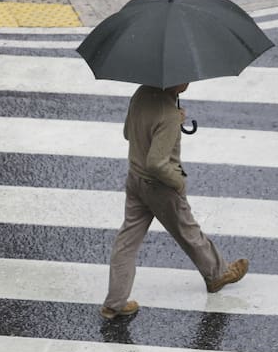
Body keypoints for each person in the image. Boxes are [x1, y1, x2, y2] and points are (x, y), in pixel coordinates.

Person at [101, 82, 249, 319]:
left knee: (127, 240)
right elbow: (157, 163)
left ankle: (114, 302)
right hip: (159, 186)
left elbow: (128, 133)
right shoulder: (168, 114)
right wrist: (178, 181)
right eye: (185, 78)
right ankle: (217, 274)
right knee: (188, 231)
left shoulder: (141, 93)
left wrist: (169, 122)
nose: (189, 81)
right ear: (175, 82)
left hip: (135, 179)